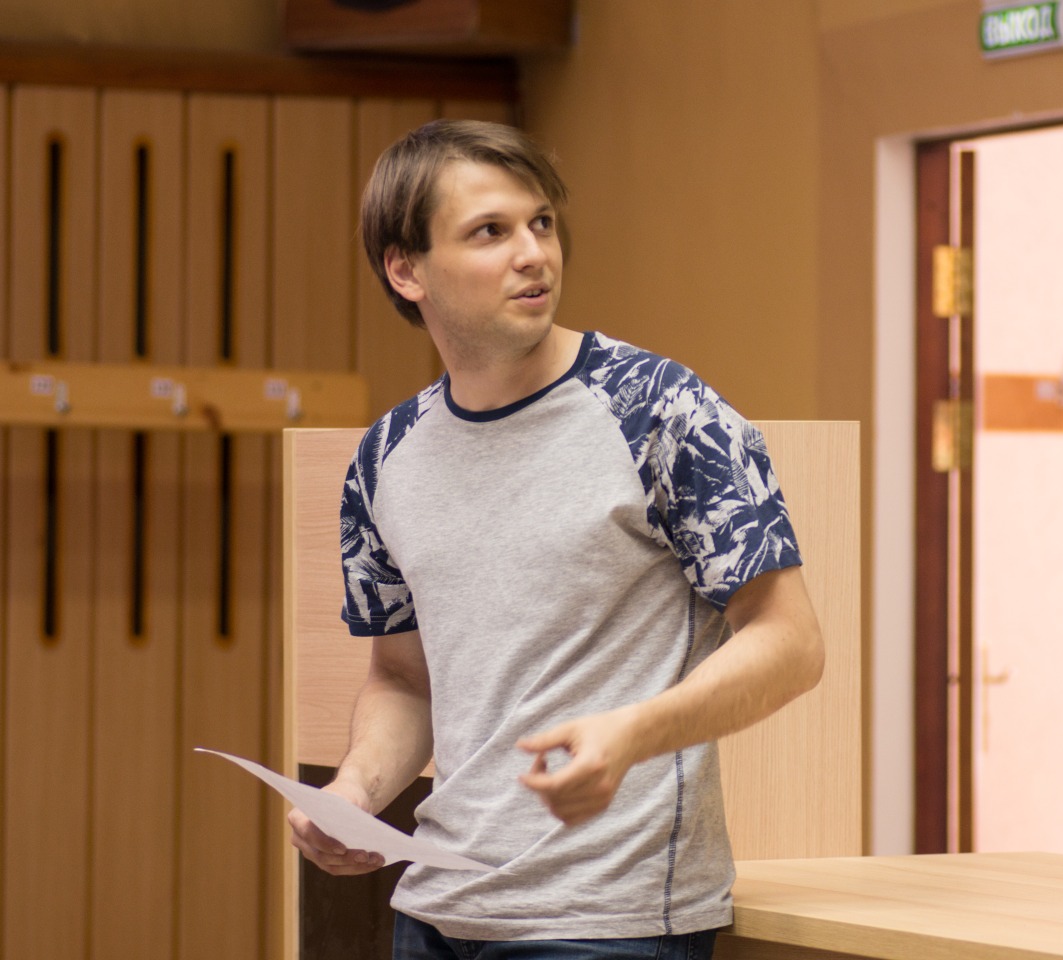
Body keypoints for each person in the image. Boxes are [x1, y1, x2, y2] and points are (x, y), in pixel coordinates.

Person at [286, 118, 825, 960]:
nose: (533, 253)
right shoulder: (383, 457)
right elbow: (403, 679)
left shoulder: (662, 410)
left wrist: (632, 733)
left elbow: (791, 644)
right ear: (405, 269)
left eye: (540, 222)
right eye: (489, 232)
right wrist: (356, 788)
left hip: (608, 918)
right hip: (436, 909)